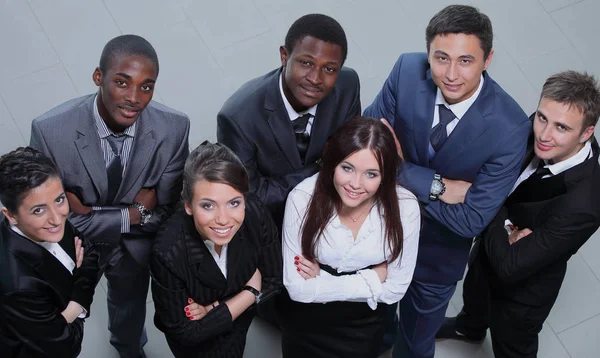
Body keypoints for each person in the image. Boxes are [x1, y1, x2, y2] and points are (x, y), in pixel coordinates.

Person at [363, 5, 531, 358]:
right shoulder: (407, 70)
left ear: (488, 59)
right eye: (441, 58)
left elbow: (471, 219)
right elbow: (365, 144)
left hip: (435, 259)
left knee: (415, 344)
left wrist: (395, 169)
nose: (451, 74)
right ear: (428, 54)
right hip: (376, 233)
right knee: (369, 324)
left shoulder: (511, 128)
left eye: (466, 61)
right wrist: (438, 185)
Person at [29, 35, 190, 358]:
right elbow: (51, 219)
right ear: (98, 77)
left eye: (147, 86)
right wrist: (132, 213)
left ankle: (130, 351)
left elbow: (170, 207)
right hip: (75, 247)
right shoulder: (50, 132)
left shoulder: (174, 128)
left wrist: (89, 212)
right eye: (122, 82)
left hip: (134, 248)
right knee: (58, 316)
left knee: (129, 315)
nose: (134, 98)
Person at [437, 71, 600, 357]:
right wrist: (507, 226)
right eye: (541, 118)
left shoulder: (585, 203)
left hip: (522, 294)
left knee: (512, 344)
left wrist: (483, 196)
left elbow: (511, 267)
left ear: (586, 133)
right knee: (475, 296)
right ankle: (469, 328)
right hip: (492, 247)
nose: (544, 135)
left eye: (562, 128)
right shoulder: (540, 127)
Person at [280, 117, 421, 358]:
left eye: (371, 174)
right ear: (332, 163)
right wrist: (374, 277)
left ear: (385, 175)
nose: (356, 184)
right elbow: (297, 290)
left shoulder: (406, 206)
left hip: (366, 327)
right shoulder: (302, 198)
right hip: (307, 324)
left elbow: (396, 289)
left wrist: (322, 281)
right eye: (347, 168)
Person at [217, 13, 361, 229]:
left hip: (335, 210)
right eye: (306, 63)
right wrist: (320, 167)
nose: (315, 78)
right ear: (284, 56)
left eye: (329, 69)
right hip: (271, 226)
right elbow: (251, 198)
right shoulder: (238, 117)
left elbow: (351, 155)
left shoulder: (347, 85)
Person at [150, 141, 283, 358]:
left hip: (238, 328)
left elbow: (274, 280)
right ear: (188, 206)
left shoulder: (255, 213)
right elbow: (185, 332)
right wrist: (249, 294)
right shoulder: (167, 251)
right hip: (197, 349)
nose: (223, 220)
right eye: (208, 205)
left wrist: (211, 308)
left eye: (234, 203)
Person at [0, 147, 100, 358]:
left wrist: (70, 311)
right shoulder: (17, 286)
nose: (57, 218)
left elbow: (90, 252)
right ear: (11, 216)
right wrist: (78, 301)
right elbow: (66, 346)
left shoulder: (48, 225)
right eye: (38, 210)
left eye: (59, 199)